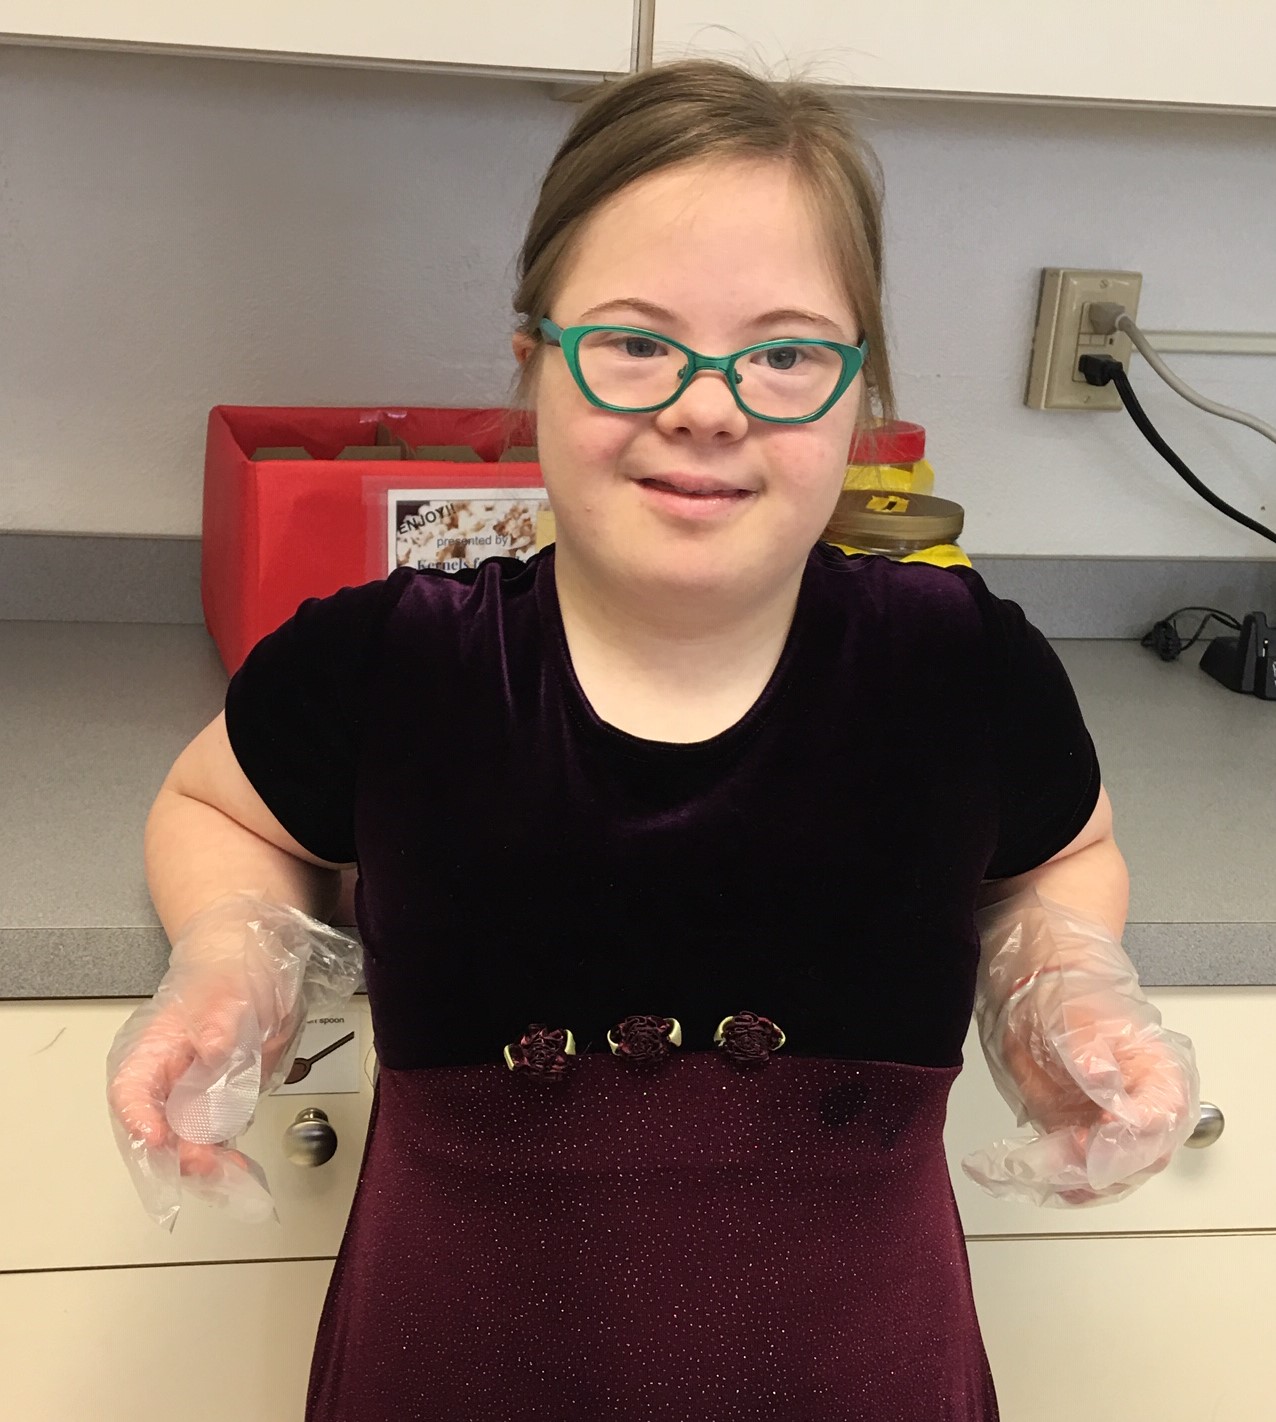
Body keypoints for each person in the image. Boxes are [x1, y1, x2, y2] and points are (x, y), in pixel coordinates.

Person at [113, 57, 1194, 1421]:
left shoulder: (962, 669)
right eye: (635, 341)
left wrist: (1066, 979)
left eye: (787, 352)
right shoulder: (392, 663)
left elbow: (1064, 853)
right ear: (535, 372)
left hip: (866, 1377)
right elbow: (216, 809)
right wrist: (231, 955)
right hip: (447, 1372)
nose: (708, 404)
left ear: (859, 395)